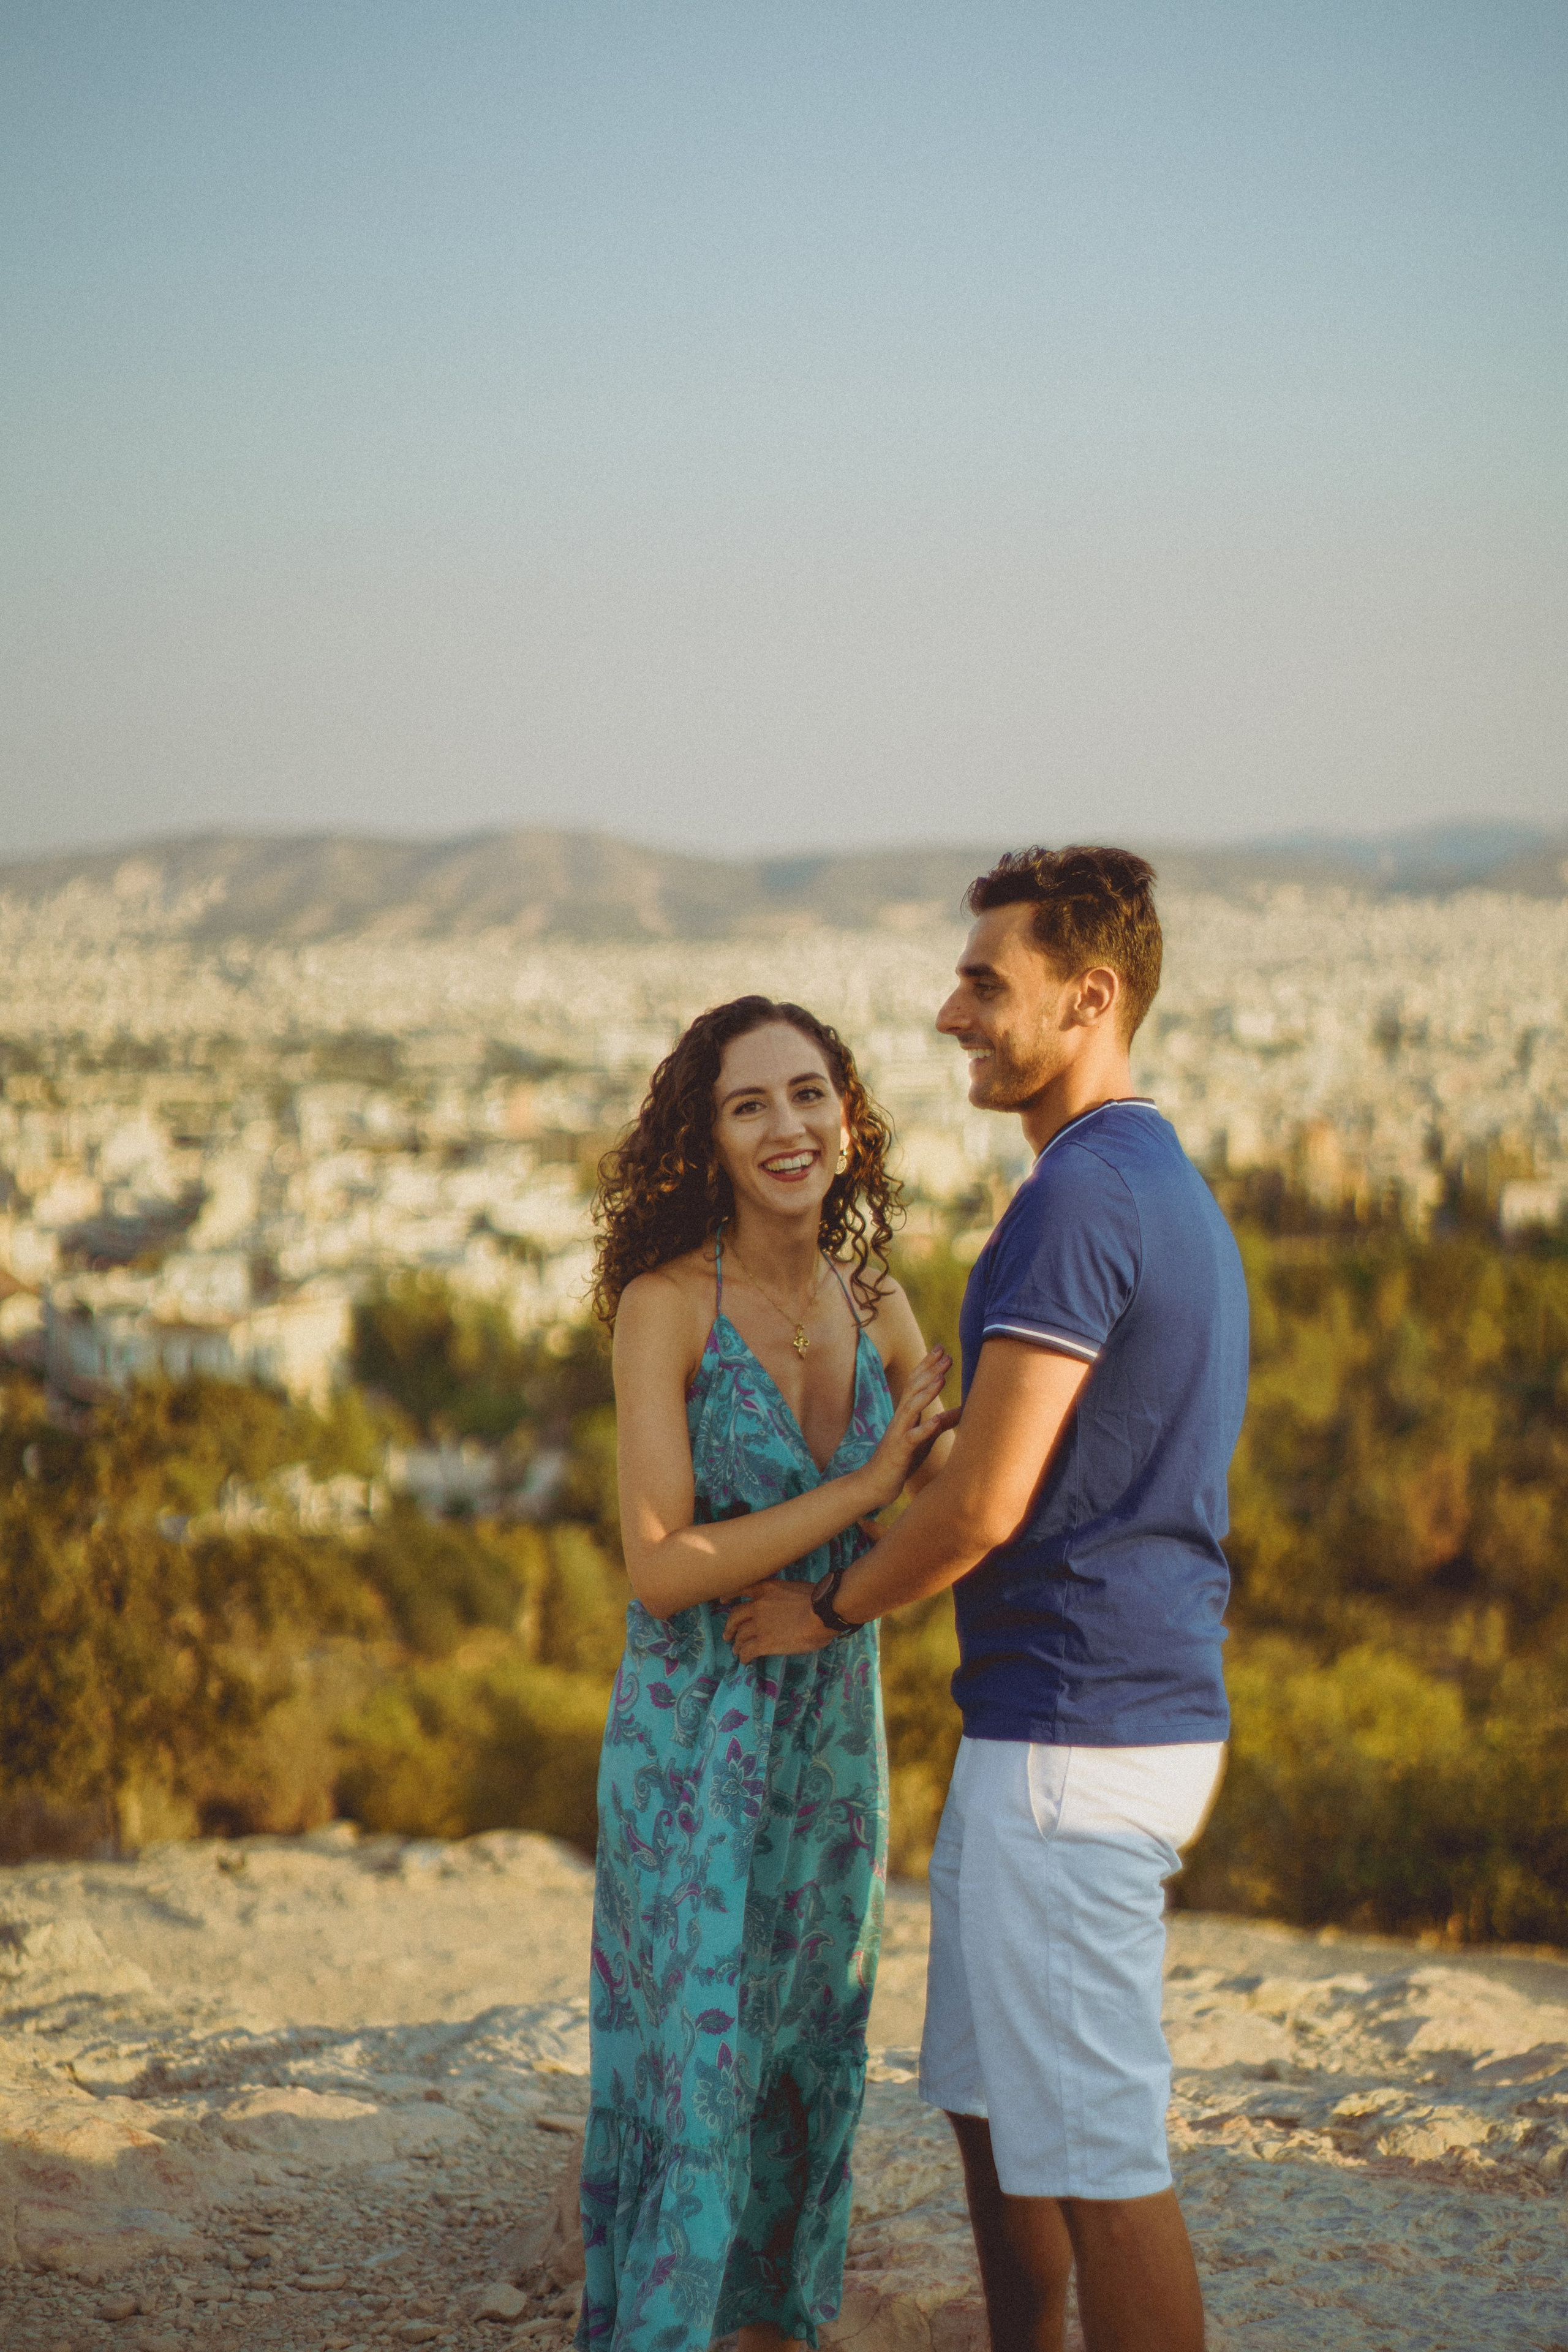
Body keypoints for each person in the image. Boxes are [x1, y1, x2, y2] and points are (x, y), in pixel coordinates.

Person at [726, 848, 1250, 2352]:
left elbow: (983, 1508)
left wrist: (825, 1609)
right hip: (1055, 1718)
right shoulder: (1139, 1180)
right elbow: (1033, 1460)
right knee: (986, 2100)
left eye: (983, 982)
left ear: (1088, 999)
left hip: (1078, 1737)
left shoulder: (1078, 1199)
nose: (947, 1011)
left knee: (1096, 2152)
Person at [577, 995, 954, 2352]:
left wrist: (929, 1478)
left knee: (807, 2041)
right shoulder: (665, 1307)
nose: (785, 1126)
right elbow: (663, 1566)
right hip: (694, 1740)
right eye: (748, 1105)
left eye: (808, 1094)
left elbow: (949, 1514)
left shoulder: (878, 1301)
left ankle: (769, 2331)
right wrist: (863, 1481)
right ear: (707, 1138)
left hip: (832, 1734)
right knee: (696, 2054)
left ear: (846, 1116)